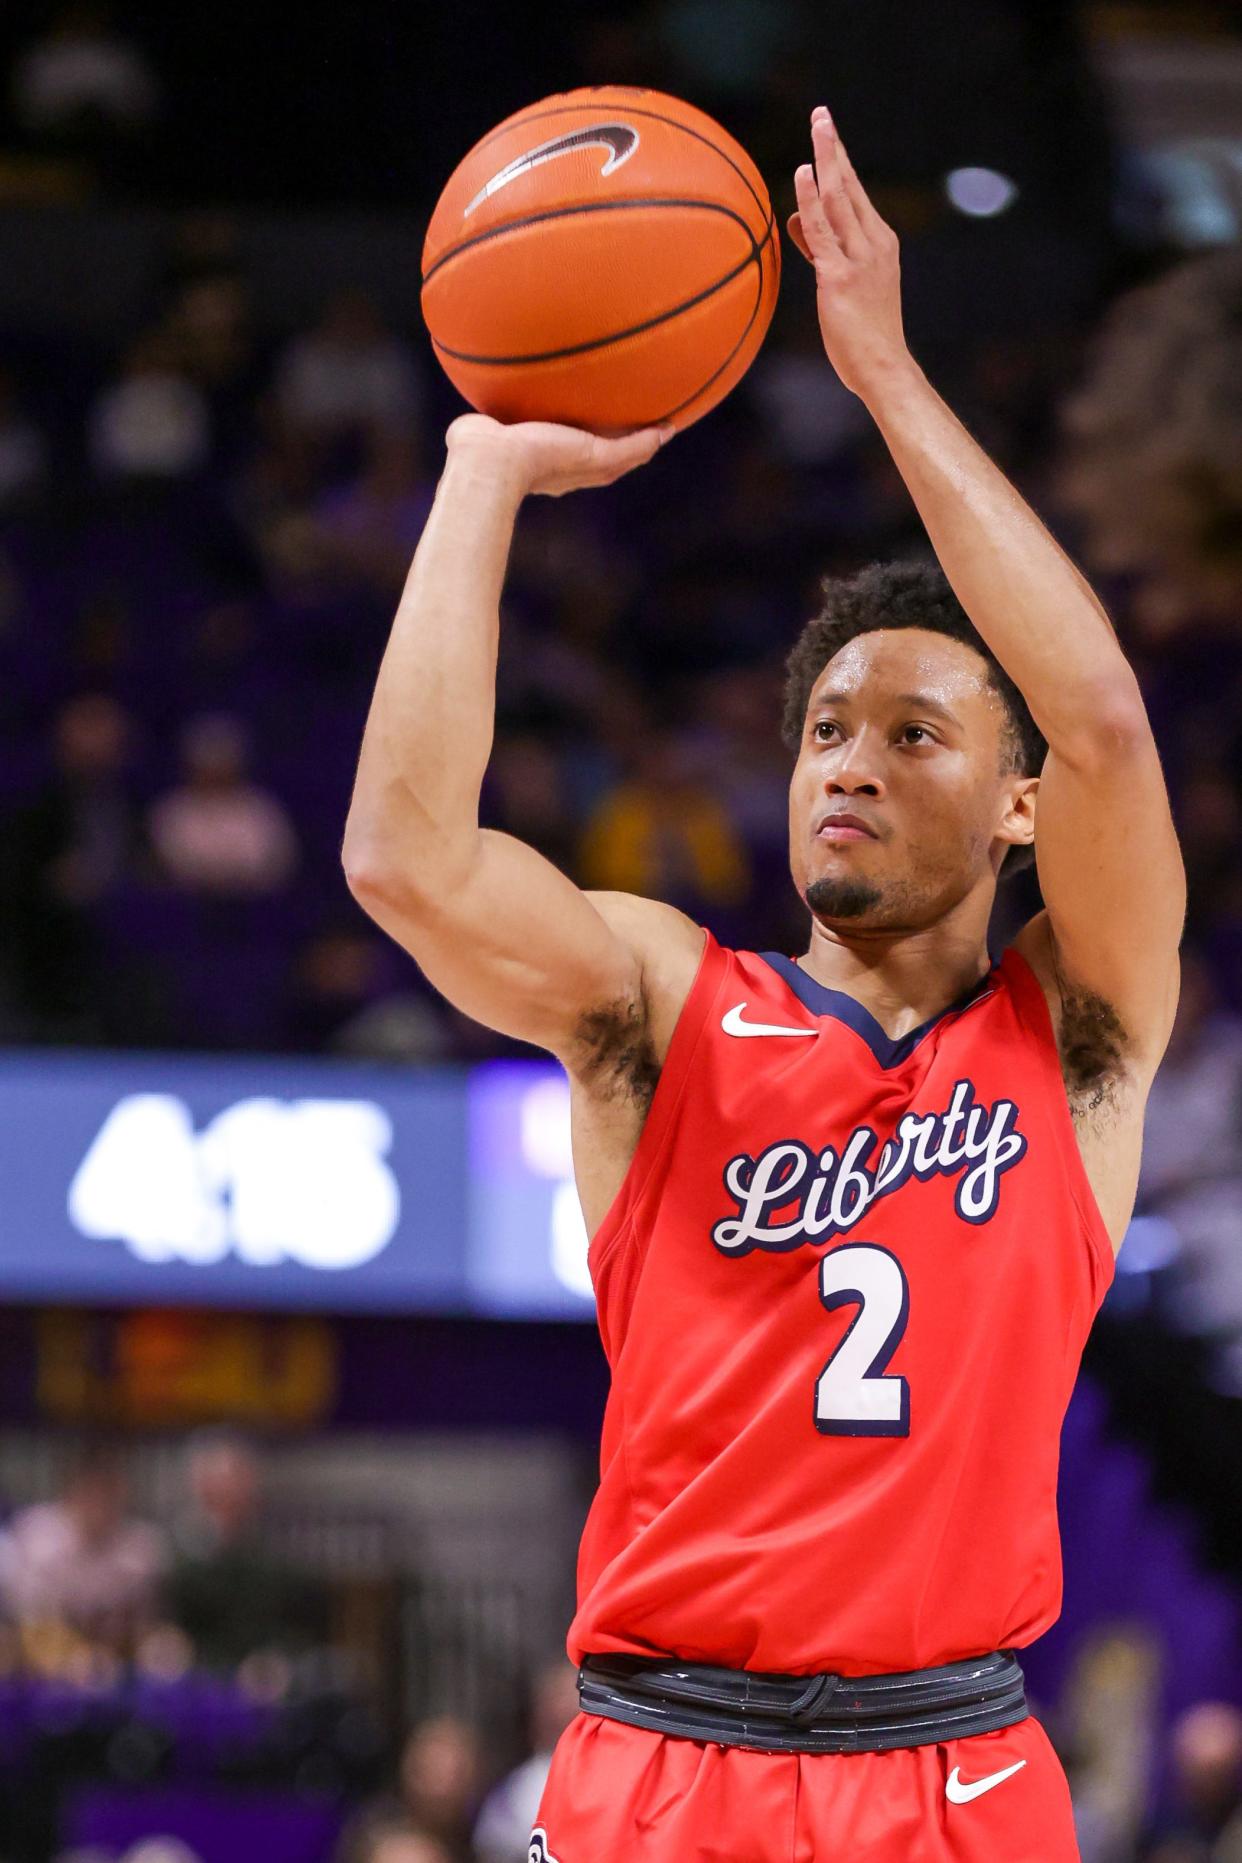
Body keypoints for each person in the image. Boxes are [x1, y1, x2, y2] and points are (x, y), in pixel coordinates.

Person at [343, 106, 1183, 1863]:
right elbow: (405, 865)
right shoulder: (662, 1000)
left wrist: (880, 375)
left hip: (954, 1771)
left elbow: (1101, 718)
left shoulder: (1073, 1034)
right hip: (663, 1761)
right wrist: (481, 476)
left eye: (910, 731)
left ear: (1020, 803)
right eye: (821, 729)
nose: (846, 764)